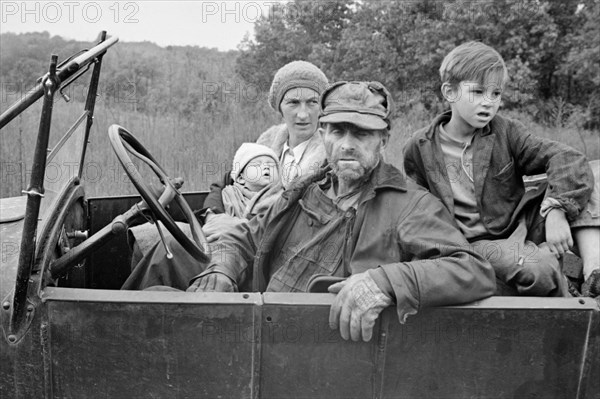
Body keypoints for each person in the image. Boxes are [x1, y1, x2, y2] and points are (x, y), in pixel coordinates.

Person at [188, 81, 496, 342]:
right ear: (323, 136)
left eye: (361, 134)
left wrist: (386, 282)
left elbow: (472, 270)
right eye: (337, 132)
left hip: (328, 348)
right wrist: (221, 270)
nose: (347, 145)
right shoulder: (304, 189)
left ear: (383, 141)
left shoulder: (409, 204)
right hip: (263, 327)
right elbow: (247, 237)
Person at [403, 41, 600, 297]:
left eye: (496, 94)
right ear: (449, 92)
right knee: (538, 269)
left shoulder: (505, 130)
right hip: (478, 243)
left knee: (593, 174)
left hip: (520, 222)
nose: (488, 103)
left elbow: (567, 158)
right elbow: (416, 209)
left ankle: (594, 273)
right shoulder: (420, 147)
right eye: (478, 92)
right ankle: (564, 288)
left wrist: (557, 208)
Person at [122, 142, 279, 290]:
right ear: (240, 178)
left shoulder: (282, 198)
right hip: (214, 246)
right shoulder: (227, 195)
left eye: (272, 165)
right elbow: (206, 215)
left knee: (171, 246)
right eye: (257, 164)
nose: (265, 167)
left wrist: (224, 226)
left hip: (248, 262)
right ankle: (128, 301)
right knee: (152, 237)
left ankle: (121, 306)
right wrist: (211, 216)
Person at [202, 60, 329, 241]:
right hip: (234, 236)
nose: (303, 114)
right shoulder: (267, 142)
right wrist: (213, 216)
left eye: (312, 102)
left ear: (322, 108)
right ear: (280, 108)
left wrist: (242, 229)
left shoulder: (330, 156)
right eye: (293, 103)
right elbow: (224, 181)